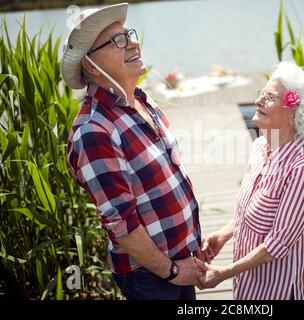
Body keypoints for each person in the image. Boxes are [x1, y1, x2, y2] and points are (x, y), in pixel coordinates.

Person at [62, 3, 206, 300]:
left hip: (180, 260)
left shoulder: (141, 100)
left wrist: (192, 247)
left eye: (128, 34)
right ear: (91, 65)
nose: (133, 42)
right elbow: (122, 225)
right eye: (118, 40)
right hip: (151, 276)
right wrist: (172, 272)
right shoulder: (94, 131)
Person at [197, 61, 304, 300]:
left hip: (279, 290)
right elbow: (249, 213)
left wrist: (224, 272)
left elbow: (276, 244)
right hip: (248, 285)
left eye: (269, 97)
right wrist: (222, 236)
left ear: (292, 114)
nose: (258, 101)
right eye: (261, 94)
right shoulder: (259, 147)